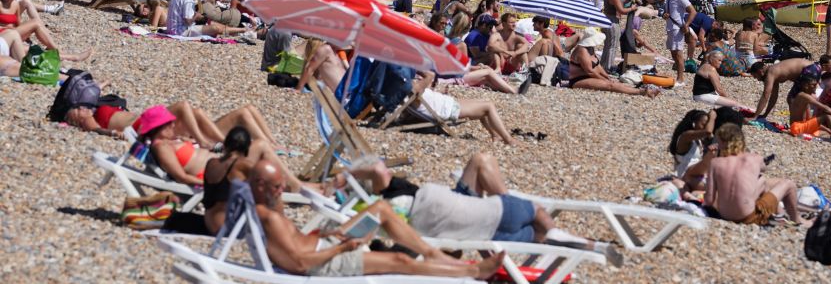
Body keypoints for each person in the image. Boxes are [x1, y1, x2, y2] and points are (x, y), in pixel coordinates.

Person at [346, 152, 624, 266]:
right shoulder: (391, 193)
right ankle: (562, 235)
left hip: (484, 235)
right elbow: (376, 168)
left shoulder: (394, 230)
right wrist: (341, 176)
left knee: (535, 236)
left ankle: (563, 238)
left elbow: (448, 252)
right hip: (493, 211)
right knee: (536, 213)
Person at [248, 160, 504, 279]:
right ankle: (472, 271)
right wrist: (341, 247)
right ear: (259, 185)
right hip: (323, 262)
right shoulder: (267, 217)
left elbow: (297, 243)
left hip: (322, 244)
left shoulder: (266, 206)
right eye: (277, 187)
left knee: (380, 208)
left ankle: (431, 253)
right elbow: (301, 263)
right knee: (399, 259)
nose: (282, 191)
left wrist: (329, 236)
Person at [135, 106, 306, 190]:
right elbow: (181, 176)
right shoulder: (162, 147)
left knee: (262, 148)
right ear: (159, 128)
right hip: (216, 175)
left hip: (220, 165)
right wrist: (207, 185)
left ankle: (293, 184)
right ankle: (293, 184)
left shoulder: (171, 141)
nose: (173, 125)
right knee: (261, 146)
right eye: (169, 124)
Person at [703, 124, 808, 226]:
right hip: (749, 217)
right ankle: (797, 220)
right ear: (741, 141)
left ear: (720, 141)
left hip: (724, 216)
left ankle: (779, 214)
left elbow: (708, 200)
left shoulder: (715, 163)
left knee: (762, 181)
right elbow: (764, 168)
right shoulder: (753, 159)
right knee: (788, 184)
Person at [567, 28, 658, 97]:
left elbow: (597, 66)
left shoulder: (590, 48)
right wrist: (604, 79)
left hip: (588, 76)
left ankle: (638, 90)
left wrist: (607, 76)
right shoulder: (582, 51)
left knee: (613, 82)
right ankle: (642, 92)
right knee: (610, 85)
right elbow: (590, 71)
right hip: (578, 80)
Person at [749, 57, 817, 119]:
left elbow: (765, 96)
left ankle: (798, 125)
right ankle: (806, 123)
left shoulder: (770, 73)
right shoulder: (773, 72)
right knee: (802, 99)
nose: (757, 79)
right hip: (813, 68)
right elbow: (773, 97)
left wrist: (755, 117)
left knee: (792, 99)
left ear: (760, 72)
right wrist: (765, 115)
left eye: (756, 76)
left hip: (809, 69)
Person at [668, 109, 717, 192]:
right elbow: (708, 132)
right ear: (693, 123)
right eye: (703, 124)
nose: (706, 127)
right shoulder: (685, 136)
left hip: (697, 173)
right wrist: (712, 117)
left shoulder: (699, 141)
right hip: (686, 177)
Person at [664, 0, 696, 85]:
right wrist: (665, 15)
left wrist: (686, 24)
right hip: (670, 28)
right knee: (673, 53)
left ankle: (680, 79)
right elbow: (668, 14)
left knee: (678, 54)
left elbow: (692, 11)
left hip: (677, 29)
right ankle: (679, 76)